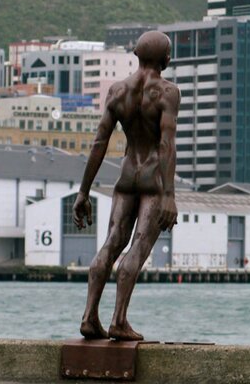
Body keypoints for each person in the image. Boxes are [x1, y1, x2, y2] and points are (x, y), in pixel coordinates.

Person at [72, 30, 180, 341]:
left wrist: (83, 191)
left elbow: (99, 143)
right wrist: (169, 195)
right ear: (166, 60)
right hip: (152, 181)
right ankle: (119, 319)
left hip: (126, 176)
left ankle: (90, 316)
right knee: (138, 248)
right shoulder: (168, 92)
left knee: (110, 244)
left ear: (136, 54)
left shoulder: (117, 91)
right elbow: (166, 145)